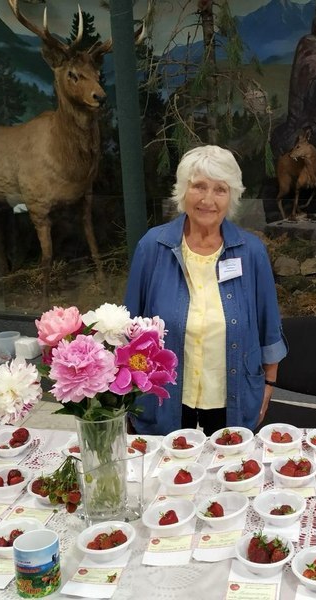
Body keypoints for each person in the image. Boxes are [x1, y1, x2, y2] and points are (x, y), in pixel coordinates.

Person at [124, 145, 288, 435]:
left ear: (231, 196)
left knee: (229, 460)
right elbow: (128, 327)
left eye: (220, 189)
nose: (208, 200)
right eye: (199, 186)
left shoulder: (251, 252)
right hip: (164, 394)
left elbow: (269, 325)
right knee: (168, 461)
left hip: (233, 392)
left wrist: (269, 384)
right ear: (183, 190)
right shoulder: (152, 247)